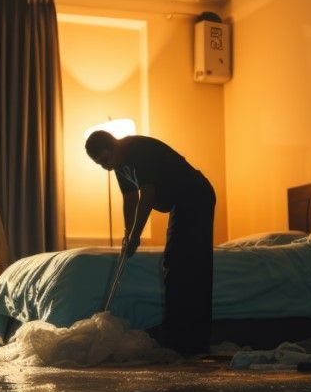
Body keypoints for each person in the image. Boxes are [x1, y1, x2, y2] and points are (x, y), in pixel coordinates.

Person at [85, 130, 216, 356]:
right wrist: (128, 234)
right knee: (174, 263)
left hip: (197, 196)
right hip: (180, 203)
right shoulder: (118, 165)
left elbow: (146, 196)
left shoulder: (137, 150)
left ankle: (192, 339)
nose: (106, 167)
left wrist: (136, 235)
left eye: (106, 160)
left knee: (186, 263)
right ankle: (178, 336)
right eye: (100, 165)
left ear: (115, 146)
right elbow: (130, 199)